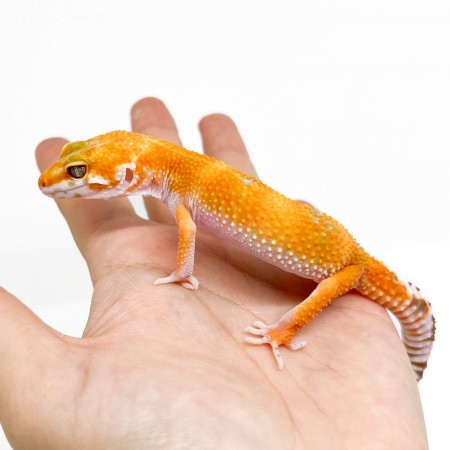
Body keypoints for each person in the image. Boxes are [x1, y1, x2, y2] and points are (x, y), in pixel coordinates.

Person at [0, 98, 428, 449]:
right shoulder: (179, 173)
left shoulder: (181, 187)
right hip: (332, 242)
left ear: (130, 172)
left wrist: (187, 276)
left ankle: (285, 332)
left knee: (327, 312)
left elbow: (186, 231)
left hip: (345, 266)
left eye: (78, 173)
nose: (62, 181)